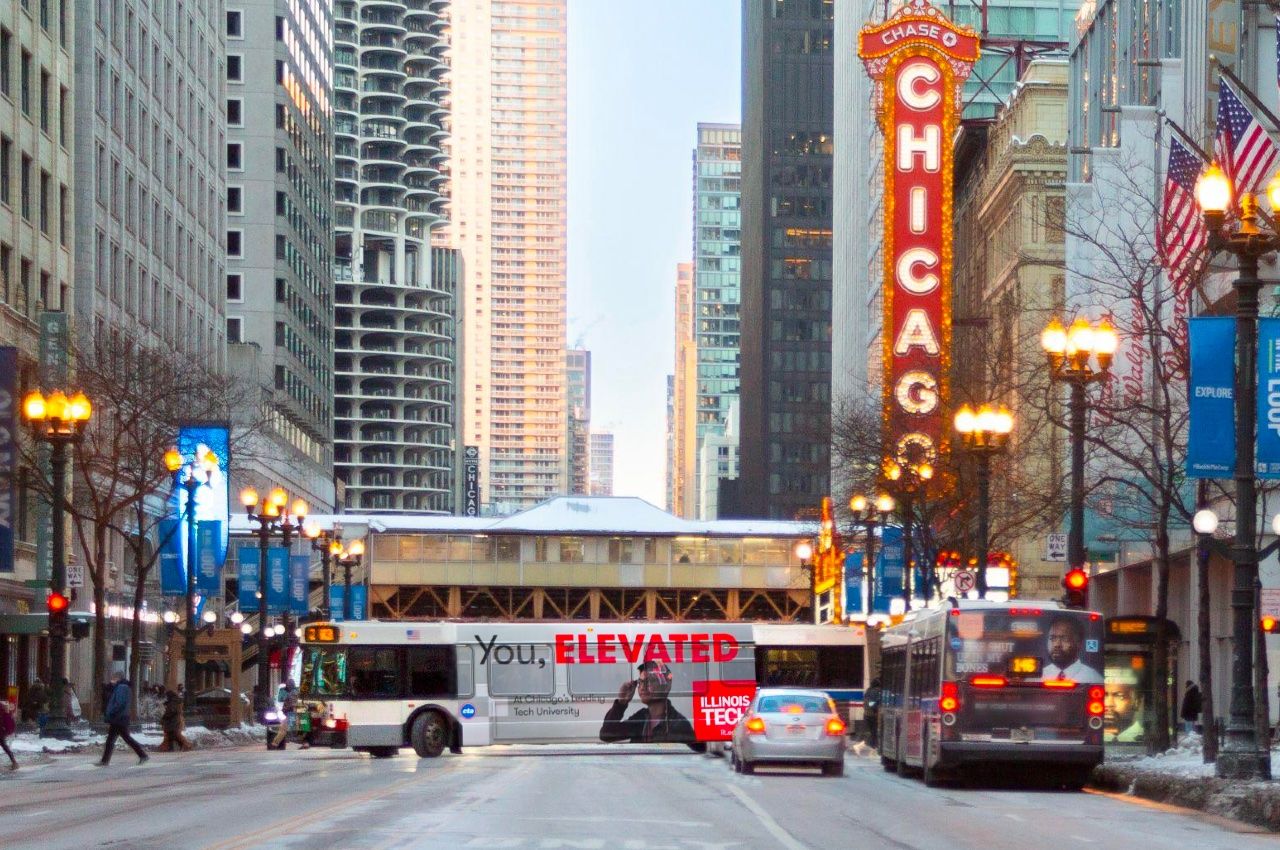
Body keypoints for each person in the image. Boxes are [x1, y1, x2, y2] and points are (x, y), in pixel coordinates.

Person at [599, 660, 705, 753]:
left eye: (649, 682)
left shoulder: (678, 724)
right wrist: (622, 703)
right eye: (640, 683)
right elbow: (606, 734)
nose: (642, 688)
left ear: (665, 686)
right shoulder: (641, 717)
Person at [99, 675, 149, 766]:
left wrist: (112, 712)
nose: (111, 681)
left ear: (118, 679)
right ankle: (104, 760)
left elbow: (119, 703)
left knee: (123, 739)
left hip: (118, 718)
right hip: (120, 717)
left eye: (113, 678)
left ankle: (143, 755)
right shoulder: (122, 687)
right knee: (114, 739)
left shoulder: (121, 688)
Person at [1041, 616, 1103, 682]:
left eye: (1065, 639)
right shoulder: (1041, 676)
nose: (1057, 644)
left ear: (1079, 643)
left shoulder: (1093, 678)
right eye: (1052, 638)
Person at [271, 679, 298, 750]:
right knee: (300, 728)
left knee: (283, 729)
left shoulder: (291, 694)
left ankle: (275, 743)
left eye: (288, 685)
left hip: (290, 714)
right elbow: (292, 704)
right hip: (292, 714)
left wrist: (284, 710)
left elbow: (289, 705)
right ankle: (304, 742)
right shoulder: (294, 693)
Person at [863, 677, 883, 748]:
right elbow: (871, 704)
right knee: (874, 730)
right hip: (873, 714)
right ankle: (875, 745)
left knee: (872, 730)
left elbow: (866, 702)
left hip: (866, 714)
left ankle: (872, 744)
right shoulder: (876, 691)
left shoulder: (868, 690)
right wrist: (876, 709)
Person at [0, 698, 18, 770]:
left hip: (1, 732)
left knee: (5, 746)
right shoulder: (4, 711)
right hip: (3, 732)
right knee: (5, 747)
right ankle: (14, 762)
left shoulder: (2, 712)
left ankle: (14, 763)